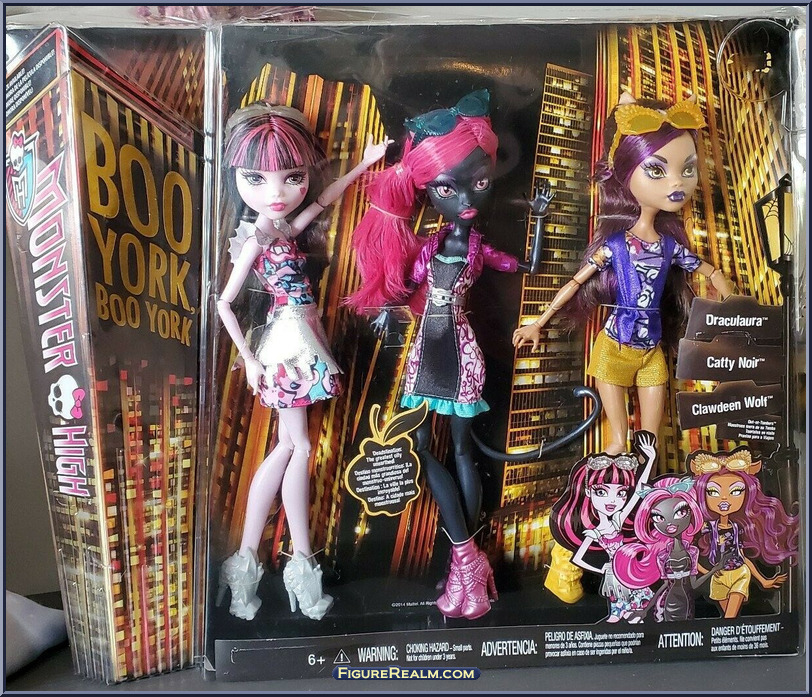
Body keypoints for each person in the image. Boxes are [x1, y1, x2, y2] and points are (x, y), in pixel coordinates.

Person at [346, 89, 551, 619]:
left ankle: (465, 559)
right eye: (446, 189)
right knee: (421, 448)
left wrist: (539, 218)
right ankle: (468, 557)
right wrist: (388, 304)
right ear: (426, 192)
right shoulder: (432, 245)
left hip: (456, 349)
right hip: (427, 346)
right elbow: (407, 284)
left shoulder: (478, 249)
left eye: (478, 183)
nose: (465, 199)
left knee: (459, 449)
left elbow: (526, 267)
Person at [216, 101, 389, 620]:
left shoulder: (280, 230)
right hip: (287, 344)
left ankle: (250, 562)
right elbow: (224, 302)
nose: (276, 192)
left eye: (291, 177)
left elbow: (324, 199)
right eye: (257, 178)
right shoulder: (257, 237)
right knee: (300, 445)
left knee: (292, 445)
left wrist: (363, 164)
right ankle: (297, 563)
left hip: (301, 335)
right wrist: (249, 360)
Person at [512, 93, 736, 455]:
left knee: (650, 445)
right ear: (624, 170)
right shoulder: (617, 245)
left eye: (687, 169)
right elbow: (577, 281)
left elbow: (710, 271)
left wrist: (736, 308)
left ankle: (645, 481)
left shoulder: (670, 247)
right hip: (614, 345)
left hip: (651, 350)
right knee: (617, 443)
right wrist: (539, 322)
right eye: (657, 170)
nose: (677, 184)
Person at [550, 431, 657, 622]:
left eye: (621, 493)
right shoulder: (594, 531)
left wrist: (649, 459)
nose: (612, 501)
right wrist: (605, 569)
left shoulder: (618, 520)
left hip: (629, 574)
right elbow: (579, 558)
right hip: (615, 577)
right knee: (619, 615)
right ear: (588, 492)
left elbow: (636, 493)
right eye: (601, 492)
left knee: (637, 615)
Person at [690, 447, 798, 618]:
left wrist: (763, 580)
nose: (724, 498)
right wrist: (708, 572)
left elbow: (741, 556)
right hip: (718, 577)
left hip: (739, 573)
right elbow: (691, 554)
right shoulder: (706, 527)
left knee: (730, 617)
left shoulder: (737, 528)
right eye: (713, 492)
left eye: (735, 491)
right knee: (729, 620)